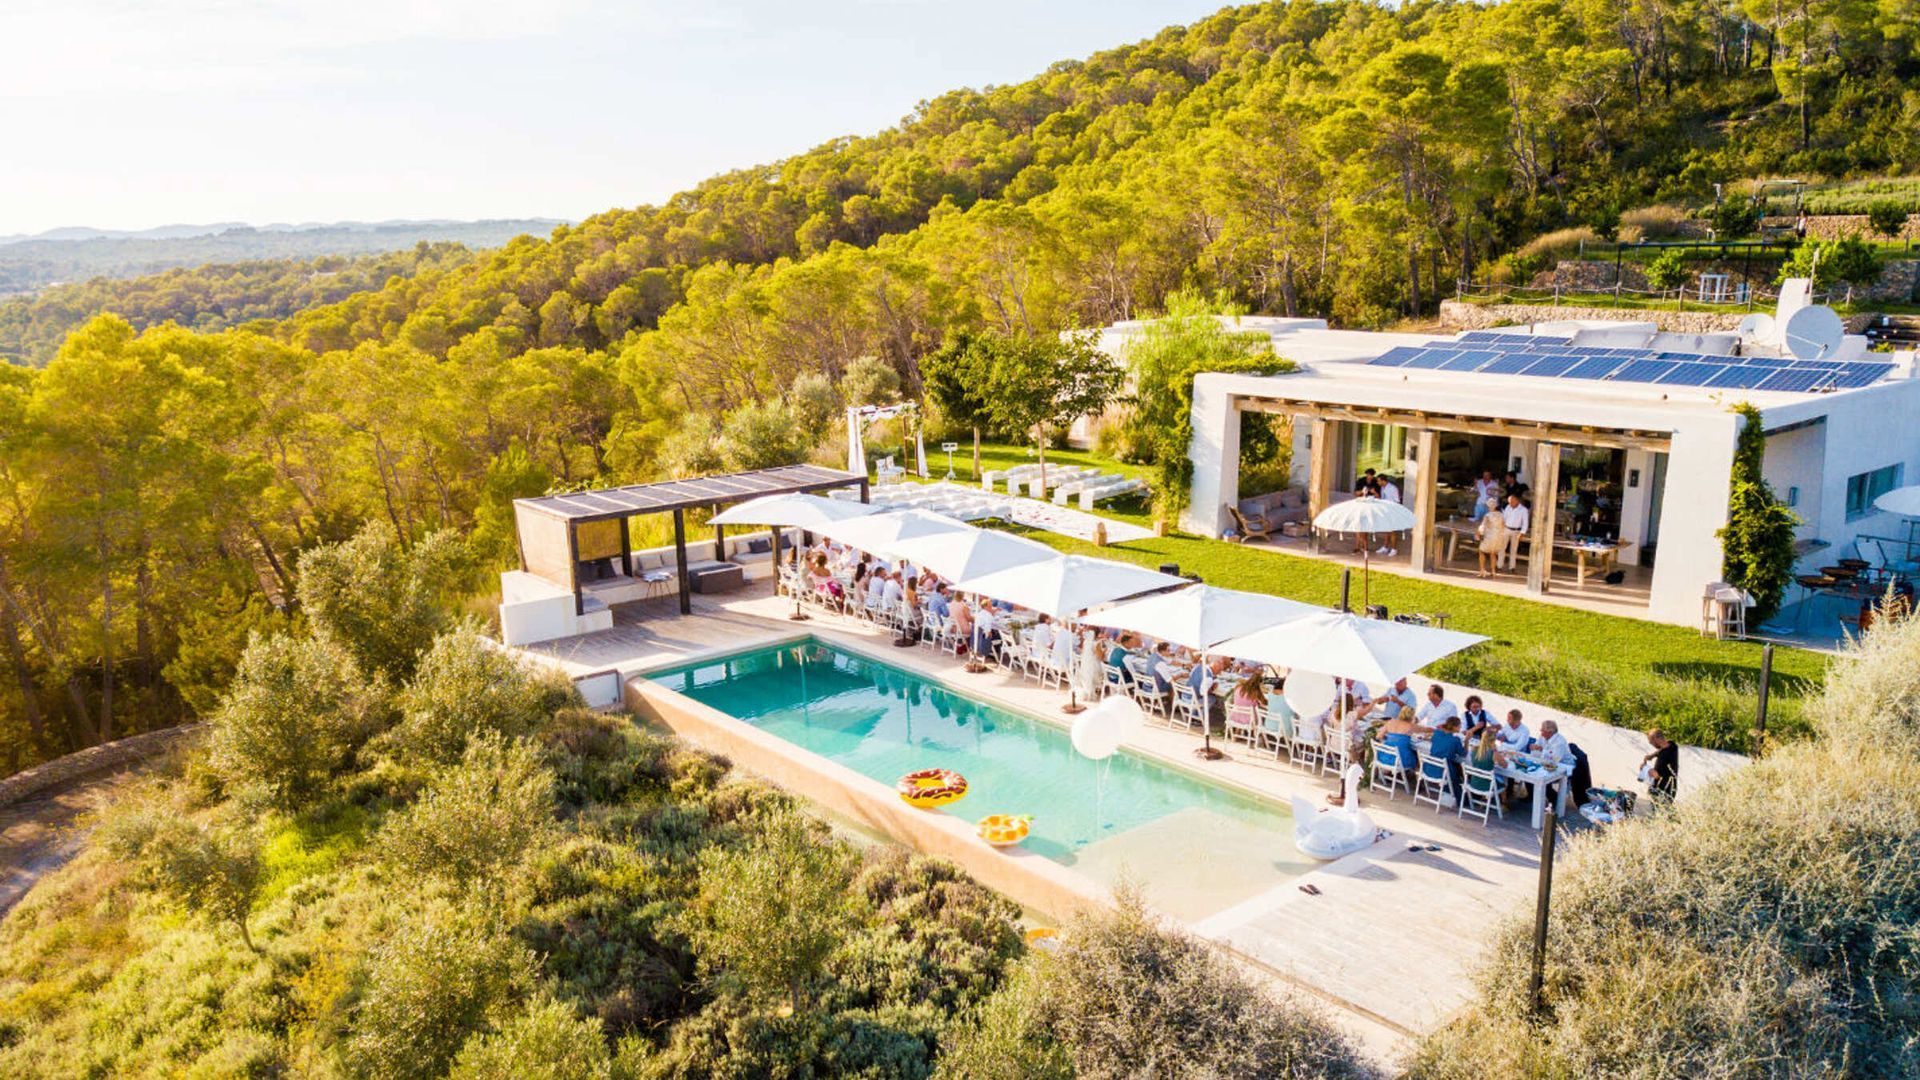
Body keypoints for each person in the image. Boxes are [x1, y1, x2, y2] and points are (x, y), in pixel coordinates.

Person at [1427, 715, 1466, 798]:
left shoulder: (1437, 733)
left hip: (1429, 767)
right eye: (1459, 726)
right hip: (1443, 771)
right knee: (1458, 773)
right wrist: (1467, 741)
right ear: (1455, 727)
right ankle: (1459, 798)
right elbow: (1463, 754)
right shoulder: (1455, 740)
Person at [1643, 728, 1679, 805]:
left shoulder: (1664, 758)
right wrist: (1652, 756)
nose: (1651, 744)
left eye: (1651, 742)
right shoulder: (1672, 745)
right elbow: (1662, 749)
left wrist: (1646, 770)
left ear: (1656, 739)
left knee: (1660, 814)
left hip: (1663, 791)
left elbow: (1657, 776)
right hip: (1671, 788)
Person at [1475, 497, 1509, 577]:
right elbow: (1504, 526)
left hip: (1489, 537)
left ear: (1488, 507)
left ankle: (1482, 570)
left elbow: (1482, 527)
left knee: (1481, 551)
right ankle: (1493, 571)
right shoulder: (1501, 515)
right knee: (1493, 554)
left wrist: (1478, 534)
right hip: (1498, 538)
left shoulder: (1487, 515)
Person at [1498, 493, 1531, 571]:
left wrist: (1522, 533)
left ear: (1517, 501)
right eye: (1509, 502)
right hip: (1506, 529)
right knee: (1502, 548)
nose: (1510, 503)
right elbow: (1504, 518)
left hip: (1516, 531)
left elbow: (1525, 522)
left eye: (1512, 502)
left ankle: (1512, 567)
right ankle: (1499, 565)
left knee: (1513, 549)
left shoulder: (1523, 510)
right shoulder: (1508, 507)